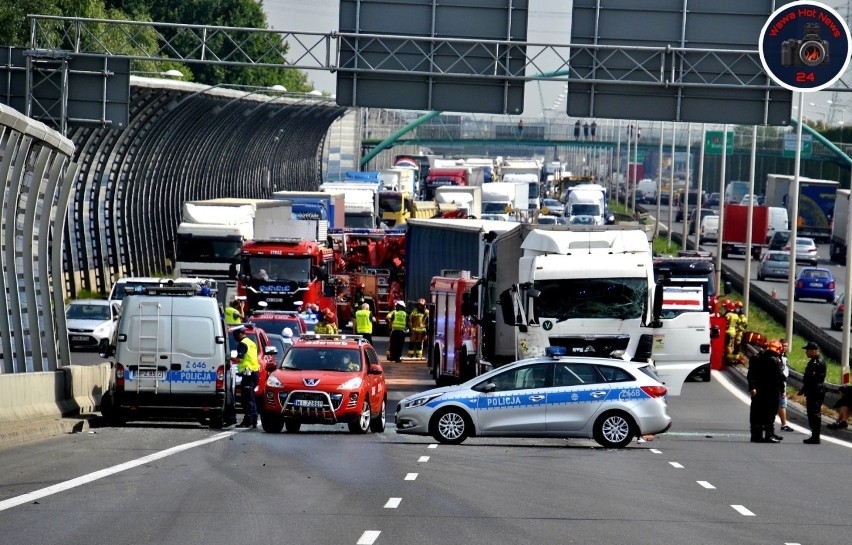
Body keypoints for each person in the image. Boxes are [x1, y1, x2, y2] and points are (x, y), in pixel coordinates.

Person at [747, 339, 786, 443]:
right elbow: (780, 377)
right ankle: (768, 435)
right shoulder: (774, 360)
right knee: (769, 414)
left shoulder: (758, 358)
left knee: (757, 413)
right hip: (770, 391)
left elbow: (751, 375)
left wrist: (752, 387)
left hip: (760, 390)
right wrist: (782, 390)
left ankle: (757, 435)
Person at [798, 341, 827, 444]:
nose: (806, 352)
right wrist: (804, 389)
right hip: (813, 390)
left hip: (816, 391)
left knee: (814, 414)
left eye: (808, 350)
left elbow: (812, 379)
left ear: (814, 351)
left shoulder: (817, 362)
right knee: (811, 413)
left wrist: (804, 388)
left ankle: (816, 436)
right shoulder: (813, 361)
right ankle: (814, 435)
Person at [232, 326, 260, 429]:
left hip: (248, 374)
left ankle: (250, 420)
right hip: (254, 372)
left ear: (240, 334)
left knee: (247, 399)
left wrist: (228, 358)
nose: (235, 338)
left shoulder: (242, 344)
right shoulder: (251, 342)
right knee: (250, 397)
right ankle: (252, 420)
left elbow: (240, 359)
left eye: (235, 336)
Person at [777, 339, 794, 432]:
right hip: (779, 383)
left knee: (781, 404)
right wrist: (782, 389)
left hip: (782, 382)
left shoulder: (784, 356)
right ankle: (784, 424)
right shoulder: (777, 356)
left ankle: (784, 424)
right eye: (782, 345)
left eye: (786, 346)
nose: (784, 348)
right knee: (782, 404)